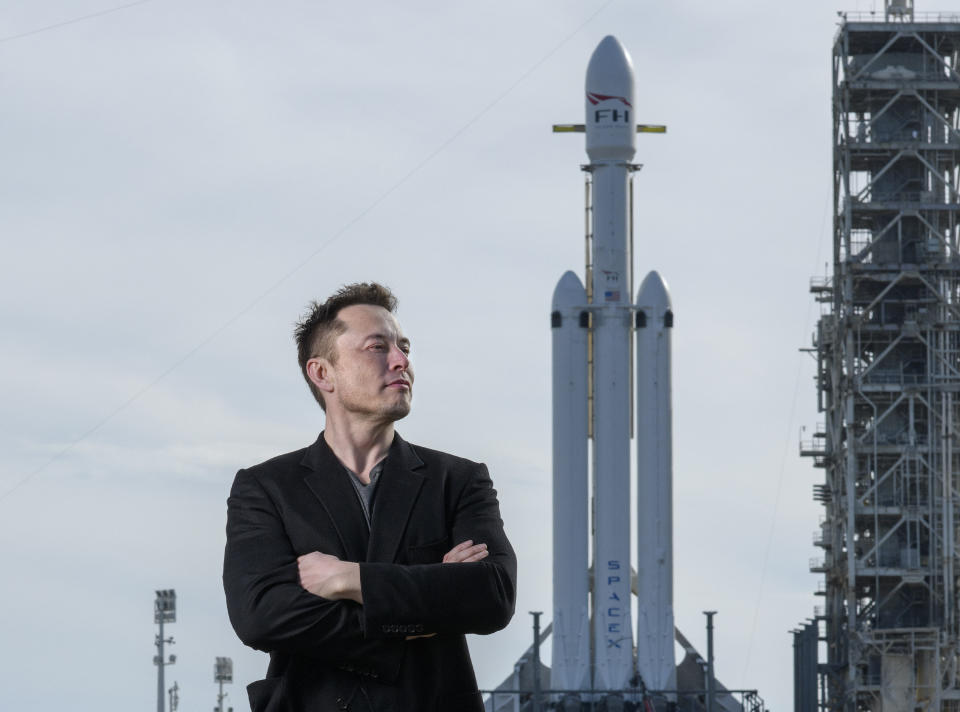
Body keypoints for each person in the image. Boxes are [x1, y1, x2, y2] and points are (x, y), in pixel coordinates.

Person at [222, 282, 517, 712]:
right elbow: (262, 615)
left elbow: (493, 593)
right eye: (378, 347)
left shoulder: (459, 480)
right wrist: (420, 614)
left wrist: (351, 579)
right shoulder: (266, 488)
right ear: (323, 373)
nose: (402, 361)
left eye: (405, 347)